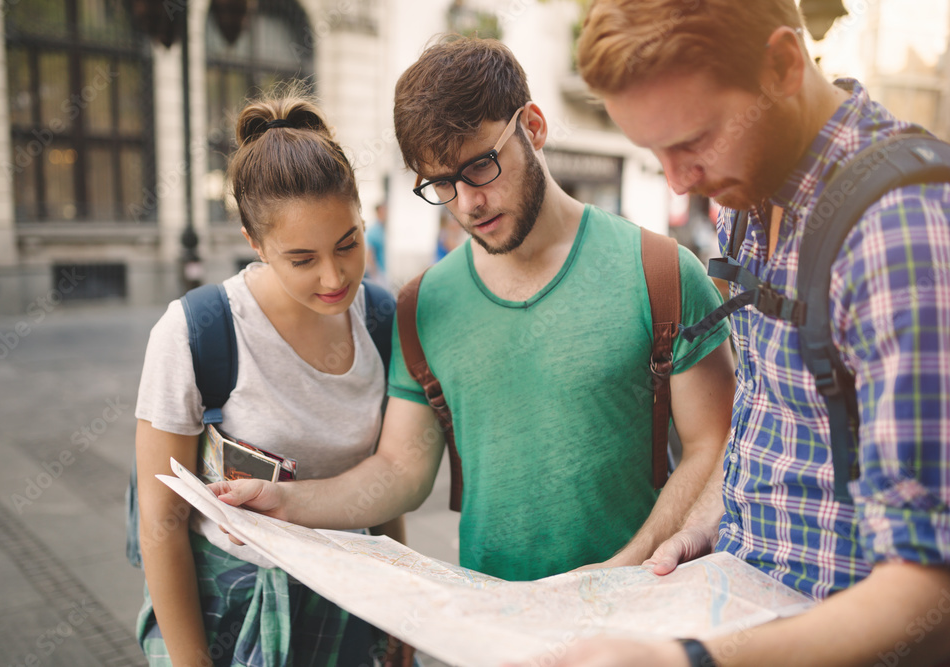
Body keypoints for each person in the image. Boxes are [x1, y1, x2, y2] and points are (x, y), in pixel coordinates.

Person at [211, 36, 736, 583]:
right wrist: (283, 501)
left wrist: (623, 572)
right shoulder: (422, 304)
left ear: (532, 126)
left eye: (480, 167)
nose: (467, 203)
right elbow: (401, 471)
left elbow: (714, 445)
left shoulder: (663, 273)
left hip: (642, 616)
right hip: (494, 627)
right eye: (440, 183)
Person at [525, 1, 950, 665]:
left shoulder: (900, 233)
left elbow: (929, 583)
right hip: (738, 599)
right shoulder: (745, 196)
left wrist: (689, 659)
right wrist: (715, 516)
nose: (677, 180)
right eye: (655, 152)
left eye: (691, 141)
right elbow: (775, 410)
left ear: (782, 65)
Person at [134, 92, 411, 667]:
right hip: (230, 606)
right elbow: (162, 518)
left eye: (348, 244)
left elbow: (385, 490)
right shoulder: (195, 333)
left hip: (352, 600)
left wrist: (398, 617)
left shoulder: (382, 321)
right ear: (255, 245)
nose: (335, 277)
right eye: (302, 259)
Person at [366, 202, 387, 283]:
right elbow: (369, 253)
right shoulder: (374, 230)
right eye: (383, 211)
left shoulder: (381, 228)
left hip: (382, 271)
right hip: (377, 273)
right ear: (378, 212)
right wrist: (374, 274)